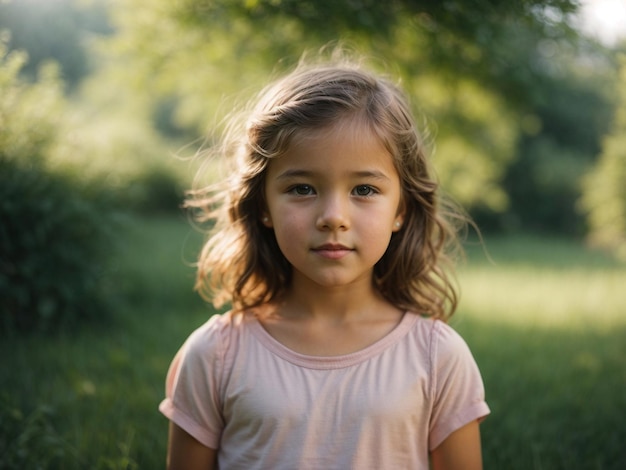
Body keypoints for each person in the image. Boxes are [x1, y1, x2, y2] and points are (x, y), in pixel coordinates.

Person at [159, 54, 490, 470]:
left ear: (401, 209)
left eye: (364, 190)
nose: (333, 216)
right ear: (264, 205)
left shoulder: (436, 357)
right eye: (302, 188)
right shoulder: (216, 355)